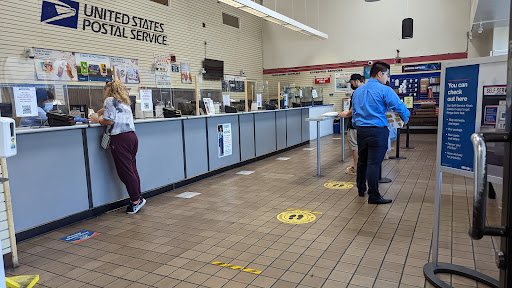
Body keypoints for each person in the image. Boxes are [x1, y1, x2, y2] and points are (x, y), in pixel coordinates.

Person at [352, 62, 410, 204]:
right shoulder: (385, 90)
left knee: (362, 161)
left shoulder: (357, 91)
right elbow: (399, 106)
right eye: (386, 74)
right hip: (377, 131)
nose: (387, 78)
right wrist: (406, 118)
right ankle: (373, 196)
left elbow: (354, 112)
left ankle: (361, 190)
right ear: (380, 74)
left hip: (361, 131)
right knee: (373, 164)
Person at [89, 80, 146, 214]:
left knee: (125, 171)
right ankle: (137, 196)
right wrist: (104, 111)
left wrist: (97, 120)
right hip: (131, 137)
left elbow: (109, 121)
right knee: (131, 169)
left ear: (108, 90)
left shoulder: (109, 100)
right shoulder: (123, 102)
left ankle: (136, 200)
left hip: (120, 138)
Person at [338, 74, 365, 176]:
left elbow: (354, 109)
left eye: (351, 82)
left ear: (357, 81)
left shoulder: (357, 92)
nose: (351, 85)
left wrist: (344, 114)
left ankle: (356, 168)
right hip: (365, 125)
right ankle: (363, 166)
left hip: (355, 125)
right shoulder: (368, 90)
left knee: (355, 147)